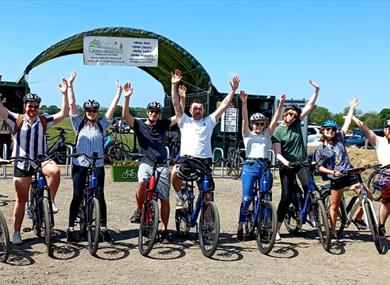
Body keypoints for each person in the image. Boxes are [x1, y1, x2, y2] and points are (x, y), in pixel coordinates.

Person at [0, 79, 69, 245]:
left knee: (55, 172)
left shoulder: (44, 121)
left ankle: (50, 200)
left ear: (39, 107)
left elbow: (64, 112)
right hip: (22, 162)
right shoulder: (16, 119)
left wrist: (65, 93)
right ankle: (17, 232)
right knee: (21, 200)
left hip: (40, 160)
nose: (33, 109)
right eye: (30, 106)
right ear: (25, 105)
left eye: (36, 106)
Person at [170, 69, 240, 208]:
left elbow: (224, 105)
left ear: (203, 110)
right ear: (190, 110)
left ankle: (208, 222)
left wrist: (232, 91)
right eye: (195, 108)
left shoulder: (209, 121)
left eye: (200, 109)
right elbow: (176, 104)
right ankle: (181, 196)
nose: (197, 111)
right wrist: (174, 85)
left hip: (204, 161)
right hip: (186, 159)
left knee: (208, 194)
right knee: (174, 175)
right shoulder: (184, 121)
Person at [66, 71, 122, 243]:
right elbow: (72, 104)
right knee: (77, 195)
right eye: (89, 110)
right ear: (85, 111)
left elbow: (111, 110)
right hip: (80, 163)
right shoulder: (78, 123)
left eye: (94, 110)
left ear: (97, 111)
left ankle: (103, 228)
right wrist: (70, 85)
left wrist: (119, 93)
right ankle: (70, 228)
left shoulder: (101, 124)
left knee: (100, 195)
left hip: (97, 163)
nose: (91, 112)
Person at [123, 82, 177, 243]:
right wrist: (127, 98)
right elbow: (126, 116)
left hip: (162, 164)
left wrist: (179, 97)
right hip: (146, 162)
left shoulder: (162, 124)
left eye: (157, 112)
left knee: (164, 199)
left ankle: (165, 229)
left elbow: (179, 116)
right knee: (141, 183)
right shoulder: (139, 124)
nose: (154, 114)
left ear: (159, 114)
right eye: (152, 111)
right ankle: (139, 210)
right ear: (147, 112)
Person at [272, 80, 320, 241]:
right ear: (285, 114)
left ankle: (311, 215)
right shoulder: (278, 131)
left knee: (309, 187)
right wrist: (286, 162)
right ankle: (277, 229)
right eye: (290, 114)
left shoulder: (298, 124)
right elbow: (277, 153)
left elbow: (309, 107)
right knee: (286, 197)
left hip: (301, 163)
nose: (292, 117)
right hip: (286, 166)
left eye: (295, 115)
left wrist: (316, 91)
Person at [314, 99, 367, 242]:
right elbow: (319, 167)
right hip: (335, 177)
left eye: (332, 129)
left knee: (365, 194)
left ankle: (357, 217)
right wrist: (332, 172)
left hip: (349, 173)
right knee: (335, 205)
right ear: (323, 131)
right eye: (327, 130)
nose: (330, 131)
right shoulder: (320, 150)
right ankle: (332, 231)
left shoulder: (340, 139)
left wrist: (351, 108)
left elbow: (347, 123)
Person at [236, 91, 286, 241]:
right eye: (256, 124)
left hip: (264, 166)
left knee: (266, 196)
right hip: (250, 165)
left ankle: (265, 225)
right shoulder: (247, 134)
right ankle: (241, 223)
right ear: (252, 125)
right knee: (246, 198)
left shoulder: (267, 134)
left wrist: (281, 105)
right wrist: (244, 103)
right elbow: (244, 119)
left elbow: (276, 119)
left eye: (261, 124)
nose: (258, 126)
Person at [352, 116, 390, 236]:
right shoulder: (379, 141)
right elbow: (365, 129)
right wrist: (352, 116)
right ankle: (381, 225)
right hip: (386, 175)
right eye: (388, 128)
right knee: (386, 202)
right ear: (384, 130)